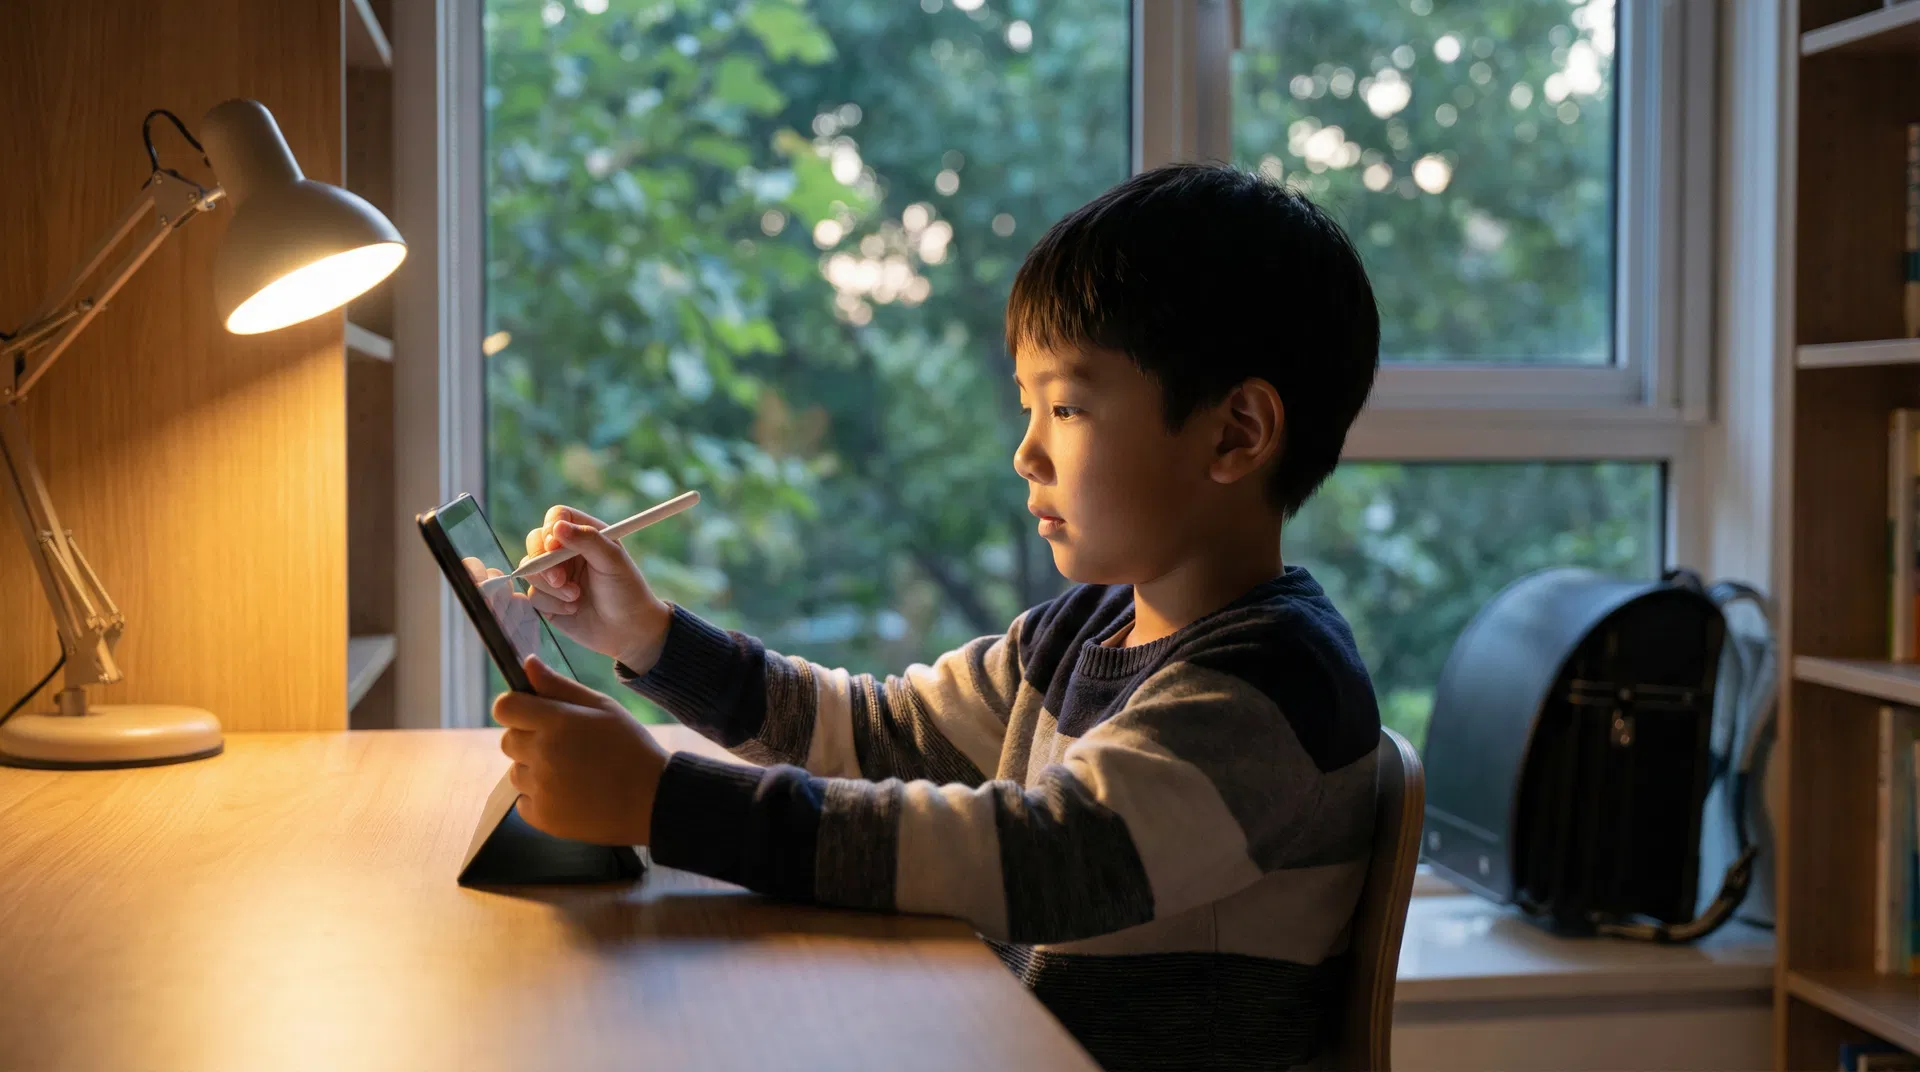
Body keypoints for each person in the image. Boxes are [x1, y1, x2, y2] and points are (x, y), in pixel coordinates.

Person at [493, 162, 1383, 1070]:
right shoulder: (1079, 635)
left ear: (1236, 432)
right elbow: (879, 737)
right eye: (1028, 405)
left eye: (1066, 406)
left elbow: (1045, 861)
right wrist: (649, 635)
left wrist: (668, 802)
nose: (1026, 451)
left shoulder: (1276, 687)